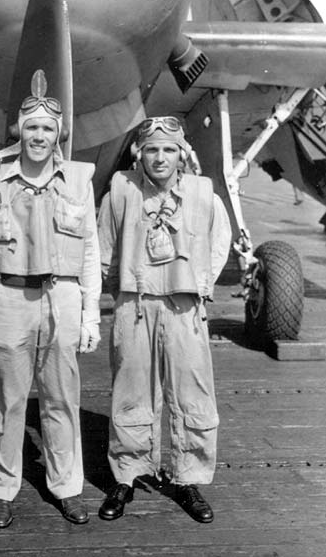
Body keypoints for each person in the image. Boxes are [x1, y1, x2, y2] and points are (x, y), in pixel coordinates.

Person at [0, 69, 101, 528]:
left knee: (62, 399)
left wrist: (89, 316)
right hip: (9, 299)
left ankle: (67, 487)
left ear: (58, 134)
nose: (39, 136)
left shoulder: (79, 181)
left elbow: (90, 254)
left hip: (61, 297)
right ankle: (3, 489)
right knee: (6, 400)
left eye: (47, 128)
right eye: (31, 127)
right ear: (18, 131)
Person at [97, 116, 232, 524]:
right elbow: (103, 248)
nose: (160, 157)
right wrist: (109, 293)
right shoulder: (121, 190)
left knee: (192, 394)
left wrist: (200, 282)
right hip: (134, 306)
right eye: (152, 149)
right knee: (131, 391)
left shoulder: (203, 192)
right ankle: (128, 472)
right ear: (140, 152)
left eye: (168, 149)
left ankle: (188, 477)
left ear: (180, 153)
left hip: (184, 308)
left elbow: (220, 240)